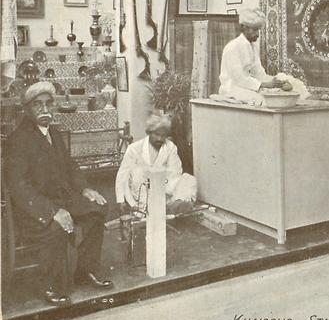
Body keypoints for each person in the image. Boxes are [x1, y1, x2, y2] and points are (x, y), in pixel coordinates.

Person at [5, 81, 112, 307]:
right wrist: (53, 211)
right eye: (38, 105)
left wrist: (85, 188)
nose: (45, 110)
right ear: (27, 109)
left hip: (62, 200)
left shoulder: (54, 132)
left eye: (48, 104)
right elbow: (19, 188)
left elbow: (70, 166)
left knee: (98, 209)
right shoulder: (18, 140)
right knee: (57, 227)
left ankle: (85, 270)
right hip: (33, 210)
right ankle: (48, 285)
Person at [115, 114, 197, 217]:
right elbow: (122, 175)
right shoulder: (134, 148)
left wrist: (160, 183)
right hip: (140, 190)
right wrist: (121, 200)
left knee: (189, 179)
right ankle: (146, 209)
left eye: (163, 135)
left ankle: (173, 206)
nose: (160, 138)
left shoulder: (170, 147)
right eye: (156, 134)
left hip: (163, 188)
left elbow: (175, 173)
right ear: (149, 132)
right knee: (138, 171)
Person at [219, 8, 286, 105]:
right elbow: (239, 79)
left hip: (246, 87)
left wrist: (274, 81)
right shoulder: (232, 47)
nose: (257, 34)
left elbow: (258, 72)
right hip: (232, 88)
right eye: (254, 30)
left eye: (258, 30)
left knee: (277, 94)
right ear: (244, 28)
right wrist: (266, 85)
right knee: (262, 100)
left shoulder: (252, 47)